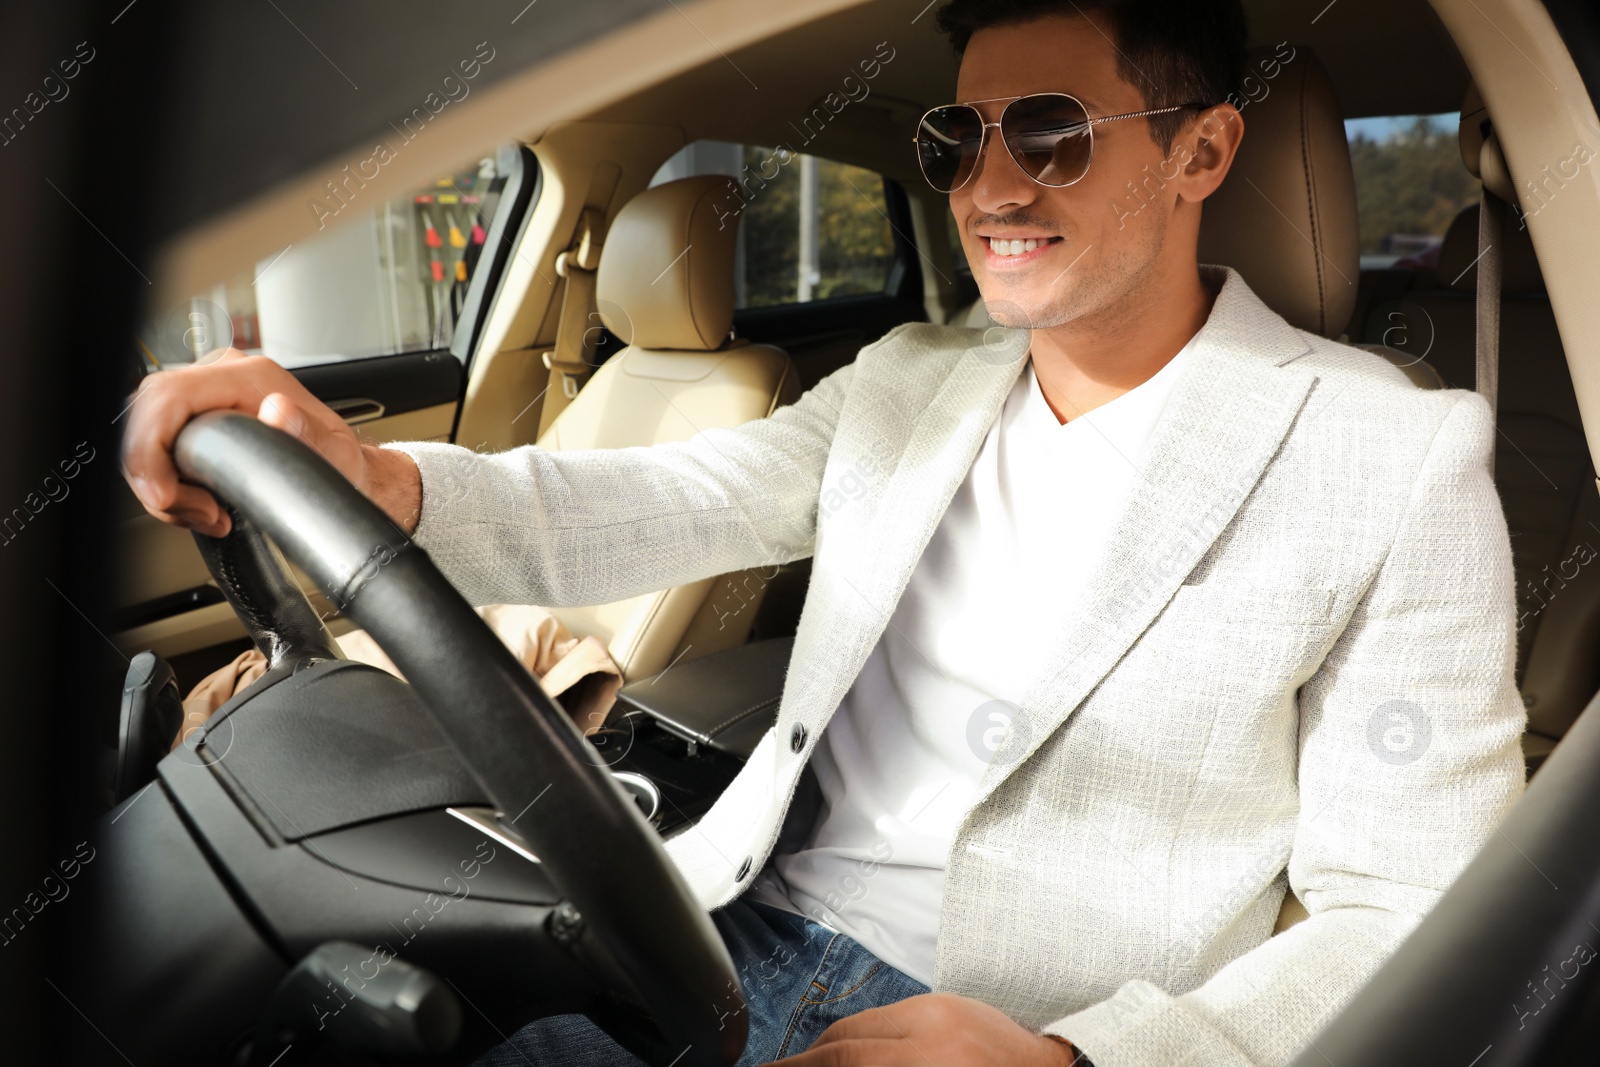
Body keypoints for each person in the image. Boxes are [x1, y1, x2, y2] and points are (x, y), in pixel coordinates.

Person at [120, 1, 1526, 1064]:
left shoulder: (1392, 454)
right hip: (716, 920)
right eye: (956, 138)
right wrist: (377, 481)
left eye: (1051, 131)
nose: (987, 186)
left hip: (1006, 1023)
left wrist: (1073, 1058)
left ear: (1203, 150)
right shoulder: (915, 374)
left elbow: (1412, 910)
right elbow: (657, 500)